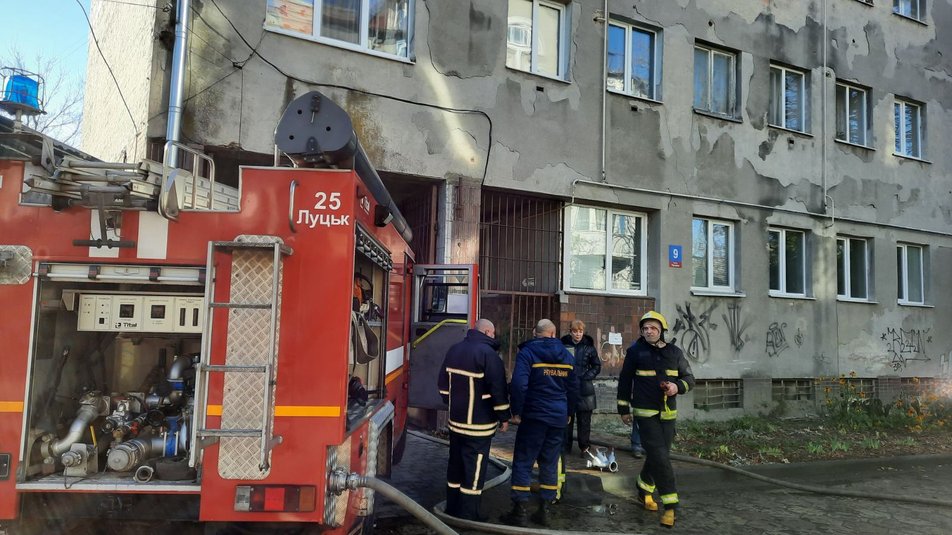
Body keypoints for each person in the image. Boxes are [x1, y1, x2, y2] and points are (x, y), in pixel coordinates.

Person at [617, 311, 695, 528]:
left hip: (668, 414)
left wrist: (676, 387)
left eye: (653, 328)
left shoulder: (675, 353)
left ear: (661, 330)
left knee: (659, 455)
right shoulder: (635, 352)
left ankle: (643, 487)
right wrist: (623, 408)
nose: (649, 331)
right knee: (660, 456)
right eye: (645, 328)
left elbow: (689, 378)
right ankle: (671, 505)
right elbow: (625, 380)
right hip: (645, 413)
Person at [503, 319, 579, 527]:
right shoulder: (567, 355)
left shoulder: (528, 353)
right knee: (550, 462)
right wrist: (569, 412)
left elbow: (519, 384)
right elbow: (574, 387)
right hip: (558, 417)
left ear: (535, 332)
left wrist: (516, 411)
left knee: (524, 460)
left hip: (534, 416)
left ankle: (519, 510)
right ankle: (544, 509)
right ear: (554, 334)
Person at [438, 318, 511, 522]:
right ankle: (469, 514)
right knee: (474, 469)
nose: (494, 337)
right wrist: (504, 417)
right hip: (479, 426)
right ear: (487, 332)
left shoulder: (454, 350)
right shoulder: (489, 355)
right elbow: (498, 390)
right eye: (493, 333)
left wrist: (453, 404)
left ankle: (452, 508)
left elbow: (443, 385)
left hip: (456, 422)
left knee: (455, 464)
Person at [560, 320, 601, 456]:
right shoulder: (563, 346)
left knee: (584, 421)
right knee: (566, 420)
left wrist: (587, 376)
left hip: (585, 389)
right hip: (567, 387)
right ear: (570, 332)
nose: (578, 334)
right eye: (575, 331)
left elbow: (596, 366)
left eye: (580, 331)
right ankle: (566, 446)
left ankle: (584, 447)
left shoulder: (589, 347)